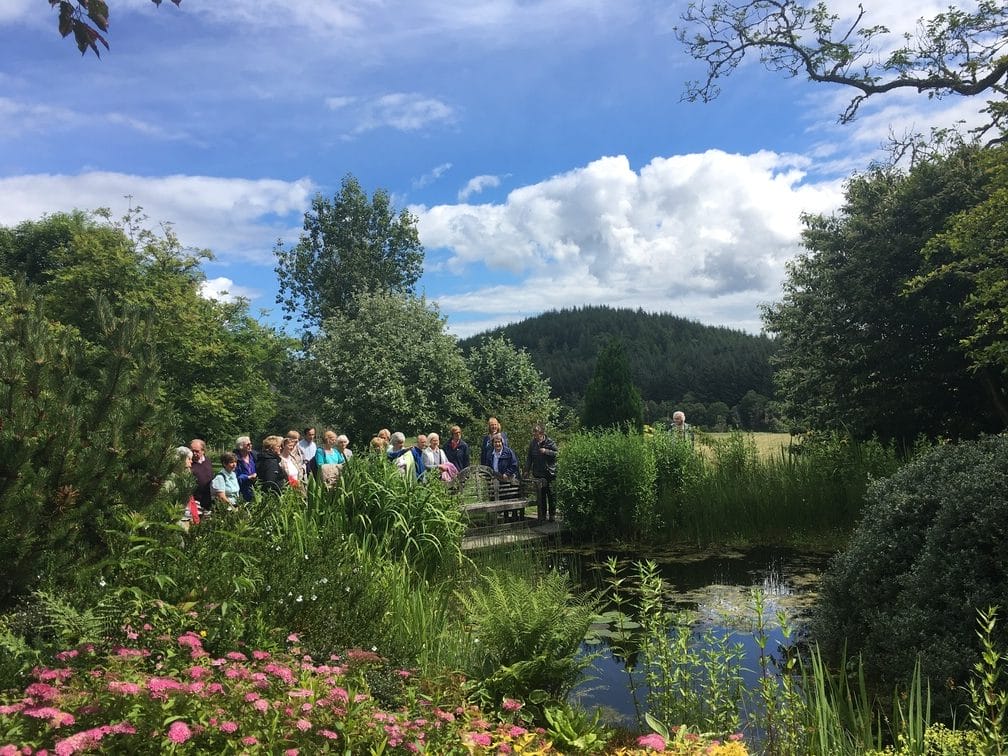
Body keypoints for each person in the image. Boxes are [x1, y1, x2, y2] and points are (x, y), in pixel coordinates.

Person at [526, 424, 559, 521]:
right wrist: (526, 470)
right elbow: (529, 458)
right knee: (541, 495)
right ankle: (543, 515)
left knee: (551, 495)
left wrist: (546, 451)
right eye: (534, 433)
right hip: (538, 474)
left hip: (550, 473)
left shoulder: (550, 442)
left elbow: (557, 454)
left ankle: (552, 514)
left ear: (542, 433)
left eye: (536, 433)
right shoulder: (532, 444)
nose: (534, 435)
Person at [189, 438, 214, 513]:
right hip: (196, 500)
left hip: (209, 498)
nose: (194, 453)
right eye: (192, 451)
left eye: (197, 451)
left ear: (203, 451)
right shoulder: (189, 464)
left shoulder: (207, 461)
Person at [234, 435, 258, 502]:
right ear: (241, 446)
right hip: (242, 489)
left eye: (251, 444)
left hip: (255, 488)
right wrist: (248, 477)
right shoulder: (235, 459)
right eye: (248, 444)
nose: (251, 445)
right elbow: (234, 476)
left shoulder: (254, 456)